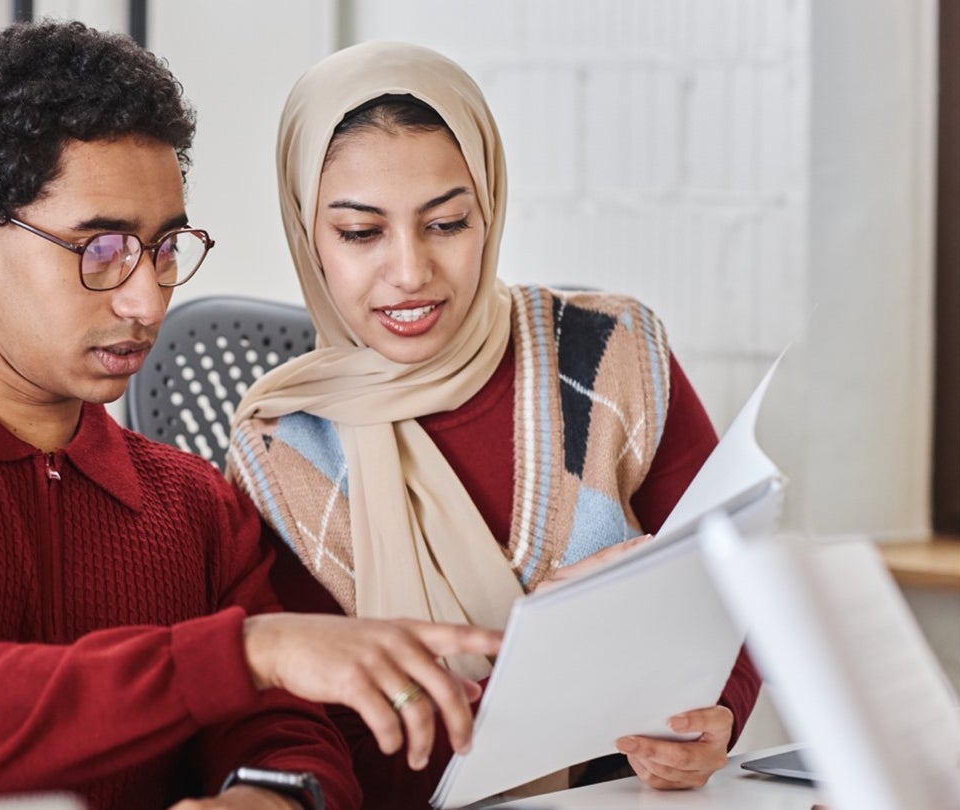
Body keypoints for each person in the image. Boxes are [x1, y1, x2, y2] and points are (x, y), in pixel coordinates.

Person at [0, 23, 500, 810]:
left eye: (162, 248)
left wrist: (268, 796)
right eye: (100, 249)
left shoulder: (192, 506)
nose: (146, 297)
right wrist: (253, 649)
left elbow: (285, 737)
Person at [227, 41, 761, 807]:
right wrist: (555, 649)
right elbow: (325, 737)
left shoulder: (612, 357)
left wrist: (719, 715)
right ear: (306, 233)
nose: (410, 271)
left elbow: (729, 581)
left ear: (491, 209)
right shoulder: (284, 449)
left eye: (447, 223)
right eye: (359, 232)